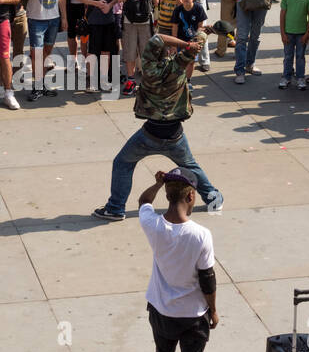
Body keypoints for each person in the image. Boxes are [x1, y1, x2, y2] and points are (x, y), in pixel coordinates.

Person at [93, 30, 224, 220]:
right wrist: (204, 32)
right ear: (168, 53)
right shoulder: (178, 65)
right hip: (174, 135)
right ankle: (213, 199)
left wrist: (185, 44)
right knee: (190, 165)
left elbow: (159, 38)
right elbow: (197, 43)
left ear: (151, 54)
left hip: (150, 134)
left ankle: (115, 208)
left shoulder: (148, 67)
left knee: (123, 162)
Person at [137, 169, 218, 352]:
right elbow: (207, 278)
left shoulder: (152, 225)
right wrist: (214, 310)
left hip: (161, 311)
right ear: (191, 195)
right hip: (193, 315)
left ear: (168, 196)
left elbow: (143, 200)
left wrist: (158, 184)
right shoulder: (200, 235)